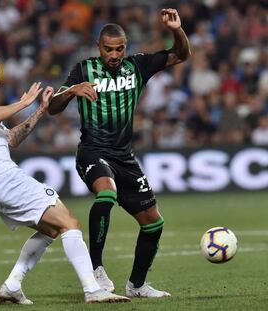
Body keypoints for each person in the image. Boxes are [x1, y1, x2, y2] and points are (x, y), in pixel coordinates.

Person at [0, 50, 130, 304]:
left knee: (51, 230)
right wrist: (23, 103)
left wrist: (41, 110)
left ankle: (12, 285)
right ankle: (93, 289)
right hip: (2, 175)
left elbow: (11, 138)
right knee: (70, 223)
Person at [49, 8, 191, 298]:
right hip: (92, 151)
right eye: (108, 49)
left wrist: (176, 30)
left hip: (124, 157)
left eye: (119, 49)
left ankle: (137, 285)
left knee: (154, 223)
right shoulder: (83, 69)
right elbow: (52, 107)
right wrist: (72, 90)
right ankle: (95, 268)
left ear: (125, 48)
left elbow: (181, 55)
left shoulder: (138, 66)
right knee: (107, 193)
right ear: (98, 47)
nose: (114, 55)